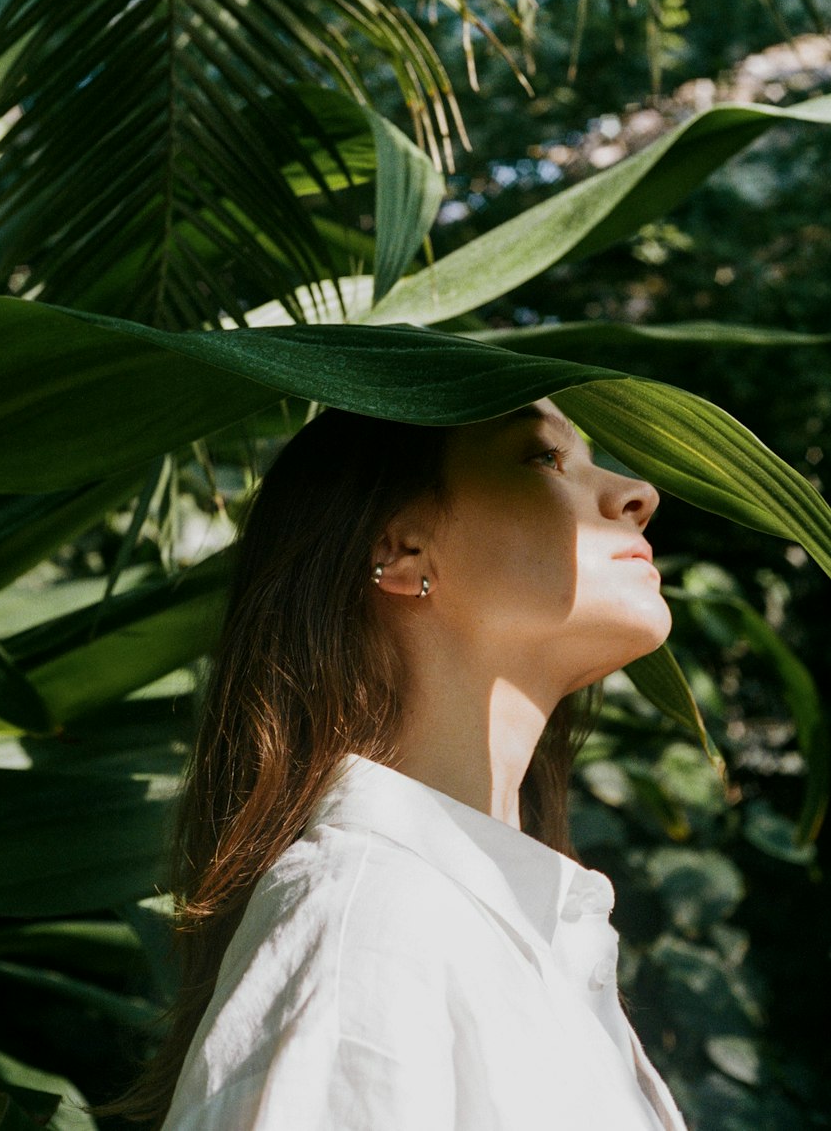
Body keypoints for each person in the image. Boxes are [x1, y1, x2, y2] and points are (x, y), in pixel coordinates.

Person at [116, 400, 689, 1129]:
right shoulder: (368, 929)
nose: (637, 495)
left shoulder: (481, 925)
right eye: (544, 459)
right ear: (401, 551)